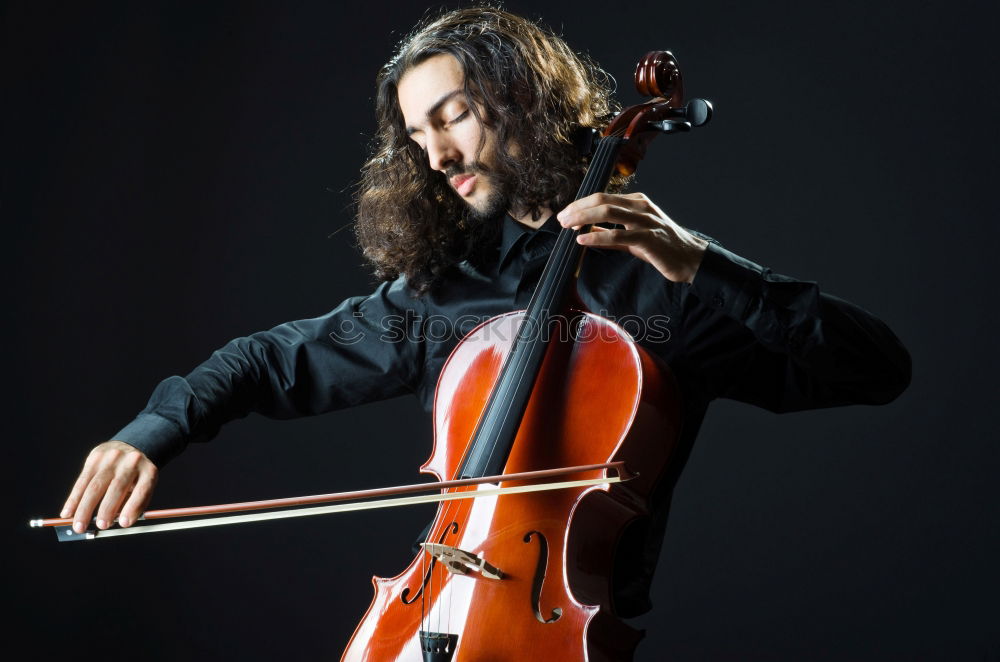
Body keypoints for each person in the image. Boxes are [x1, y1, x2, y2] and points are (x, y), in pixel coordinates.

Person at [60, 6, 909, 621]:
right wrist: (148, 432)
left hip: (563, 626)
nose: (434, 155)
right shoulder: (449, 295)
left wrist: (703, 264)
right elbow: (268, 361)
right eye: (417, 134)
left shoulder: (666, 293)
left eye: (452, 116)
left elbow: (875, 369)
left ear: (523, 101)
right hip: (436, 608)